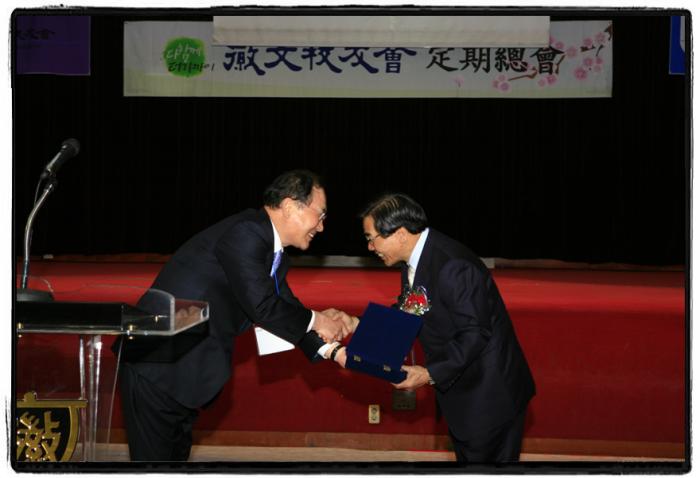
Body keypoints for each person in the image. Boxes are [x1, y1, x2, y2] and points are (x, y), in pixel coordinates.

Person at [116, 170, 352, 461]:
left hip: (185, 371)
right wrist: (319, 319)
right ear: (291, 205)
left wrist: (334, 352)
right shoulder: (247, 232)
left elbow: (283, 313)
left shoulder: (273, 254)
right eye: (321, 214)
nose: (322, 226)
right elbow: (263, 307)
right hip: (158, 364)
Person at [338, 193, 536, 462]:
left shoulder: (453, 265)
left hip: (490, 398)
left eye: (372, 238)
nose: (370, 247)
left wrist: (429, 373)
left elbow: (475, 333)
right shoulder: (417, 259)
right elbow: (411, 309)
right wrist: (356, 324)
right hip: (466, 394)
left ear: (400, 234)